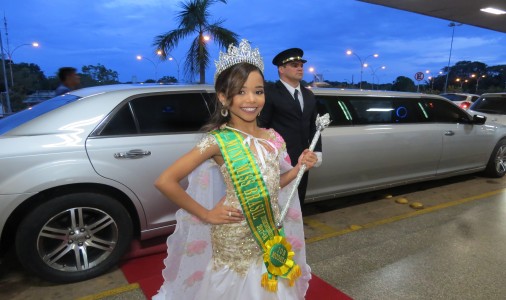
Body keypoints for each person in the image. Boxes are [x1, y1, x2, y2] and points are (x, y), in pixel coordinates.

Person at [152, 39, 317, 300]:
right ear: (223, 97)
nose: (251, 99)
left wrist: (298, 168)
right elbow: (165, 181)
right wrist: (206, 214)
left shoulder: (272, 137)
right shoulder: (217, 140)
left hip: (269, 233)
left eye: (259, 91)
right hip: (234, 237)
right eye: (241, 92)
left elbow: (272, 182)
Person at [258, 48, 322, 206]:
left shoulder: (308, 95)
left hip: (303, 159)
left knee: (298, 200)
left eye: (301, 65)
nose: (300, 68)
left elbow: (316, 126)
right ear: (281, 69)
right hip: (279, 159)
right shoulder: (270, 93)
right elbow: (261, 126)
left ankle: (296, 231)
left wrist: (317, 152)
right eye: (294, 65)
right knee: (277, 201)